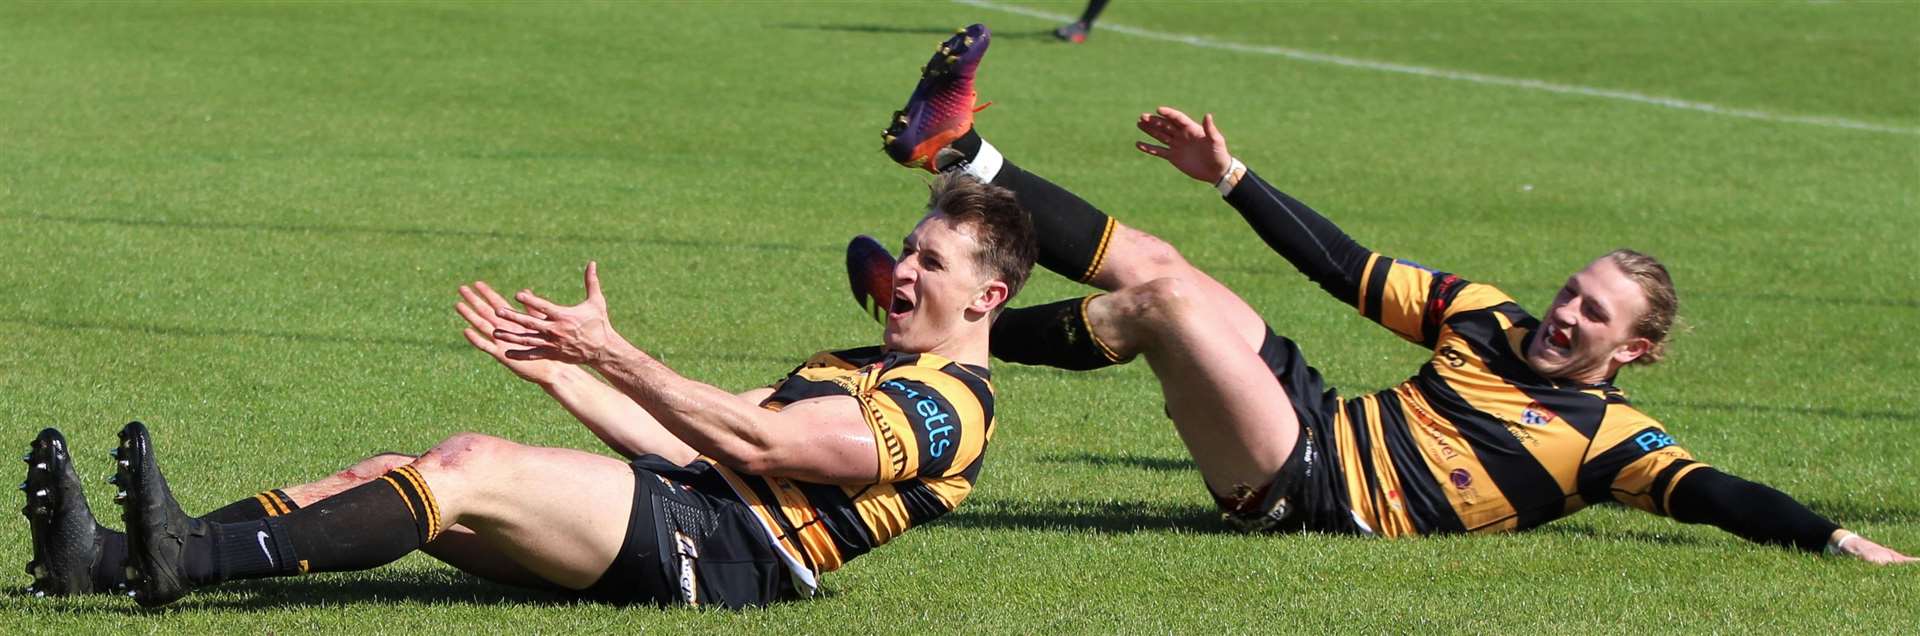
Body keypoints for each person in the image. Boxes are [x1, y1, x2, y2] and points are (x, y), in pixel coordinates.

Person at [873, 24, 1913, 563]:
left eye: (1596, 315)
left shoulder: (1614, 444)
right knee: (1164, 269)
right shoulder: (1488, 317)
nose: (1566, 313)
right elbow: (1344, 266)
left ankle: (938, 341)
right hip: (1312, 420)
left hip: (1311, 496)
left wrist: (1830, 537)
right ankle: (954, 149)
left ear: (1633, 353)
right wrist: (1232, 179)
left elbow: (1716, 496)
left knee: (1167, 312)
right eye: (1573, 291)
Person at [19, 171, 1039, 607]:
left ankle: (181, 556)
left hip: (726, 556)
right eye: (907, 251)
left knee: (469, 465)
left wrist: (621, 349)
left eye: (930, 264)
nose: (900, 273)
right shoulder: (868, 366)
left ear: (987, 295)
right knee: (394, 473)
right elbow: (689, 445)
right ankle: (104, 560)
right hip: (691, 510)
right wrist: (568, 366)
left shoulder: (949, 405)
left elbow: (766, 455)